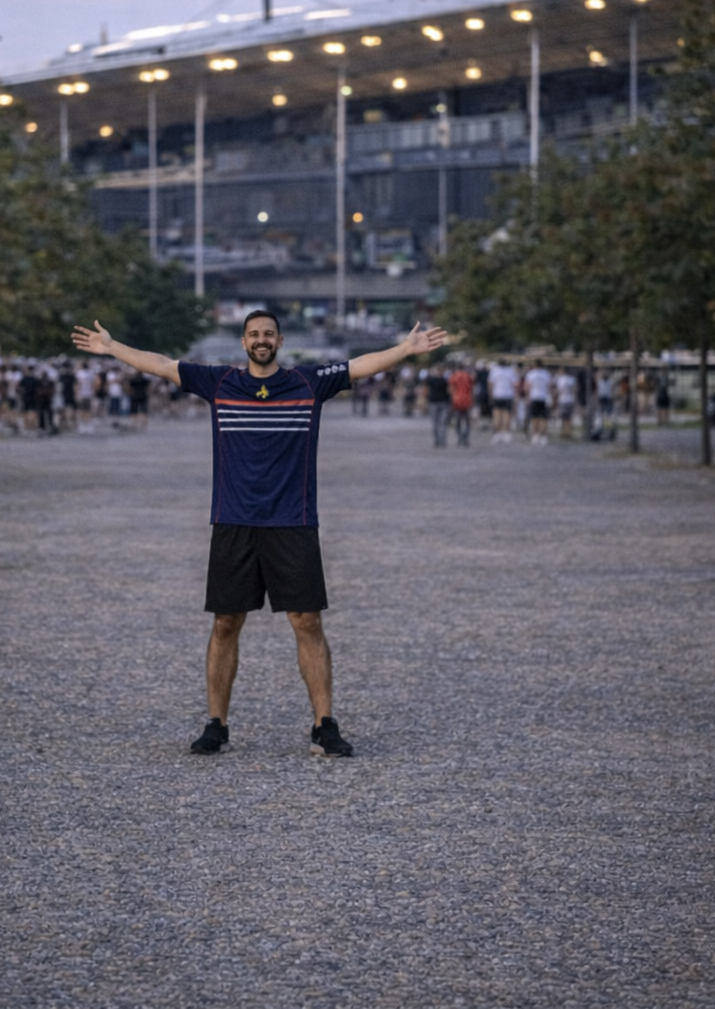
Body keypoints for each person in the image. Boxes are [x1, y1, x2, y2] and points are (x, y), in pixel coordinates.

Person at [71, 308, 447, 758]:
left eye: (268, 334)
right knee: (226, 622)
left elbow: (358, 366)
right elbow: (163, 364)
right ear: (244, 342)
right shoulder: (220, 382)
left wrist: (406, 349)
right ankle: (216, 724)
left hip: (294, 521)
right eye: (254, 334)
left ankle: (324, 725)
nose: (261, 340)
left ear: (280, 341)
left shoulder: (308, 382)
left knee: (307, 621)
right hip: (234, 520)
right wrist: (112, 348)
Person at [524, 360, 552, 444]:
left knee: (534, 417)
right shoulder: (546, 374)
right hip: (544, 397)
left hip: (534, 397)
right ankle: (544, 436)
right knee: (544, 418)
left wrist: (527, 397)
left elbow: (527, 387)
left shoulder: (531, 374)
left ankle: (535, 435)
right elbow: (549, 386)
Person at [488, 358, 516, 444]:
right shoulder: (510, 371)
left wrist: (491, 395)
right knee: (507, 415)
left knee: (497, 415)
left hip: (497, 395)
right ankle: (506, 433)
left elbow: (490, 384)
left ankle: (497, 433)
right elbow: (514, 384)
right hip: (508, 395)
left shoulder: (494, 371)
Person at [448, 363, 474, 447]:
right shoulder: (469, 376)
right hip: (467, 399)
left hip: (457, 399)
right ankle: (466, 437)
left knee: (458, 420)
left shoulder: (454, 376)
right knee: (467, 420)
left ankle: (459, 437)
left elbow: (451, 389)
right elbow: (472, 388)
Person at [427, 365, 450, 447]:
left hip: (434, 401)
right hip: (442, 401)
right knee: (442, 422)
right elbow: (449, 390)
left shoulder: (431, 380)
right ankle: (442, 440)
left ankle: (437, 440)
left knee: (436, 423)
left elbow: (427, 390)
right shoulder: (445, 380)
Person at [554, 367, 577, 439]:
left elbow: (559, 391)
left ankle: (564, 432)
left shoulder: (560, 379)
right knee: (569, 418)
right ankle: (569, 432)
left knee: (563, 418)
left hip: (563, 400)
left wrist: (555, 400)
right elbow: (575, 390)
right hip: (570, 399)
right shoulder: (572, 379)